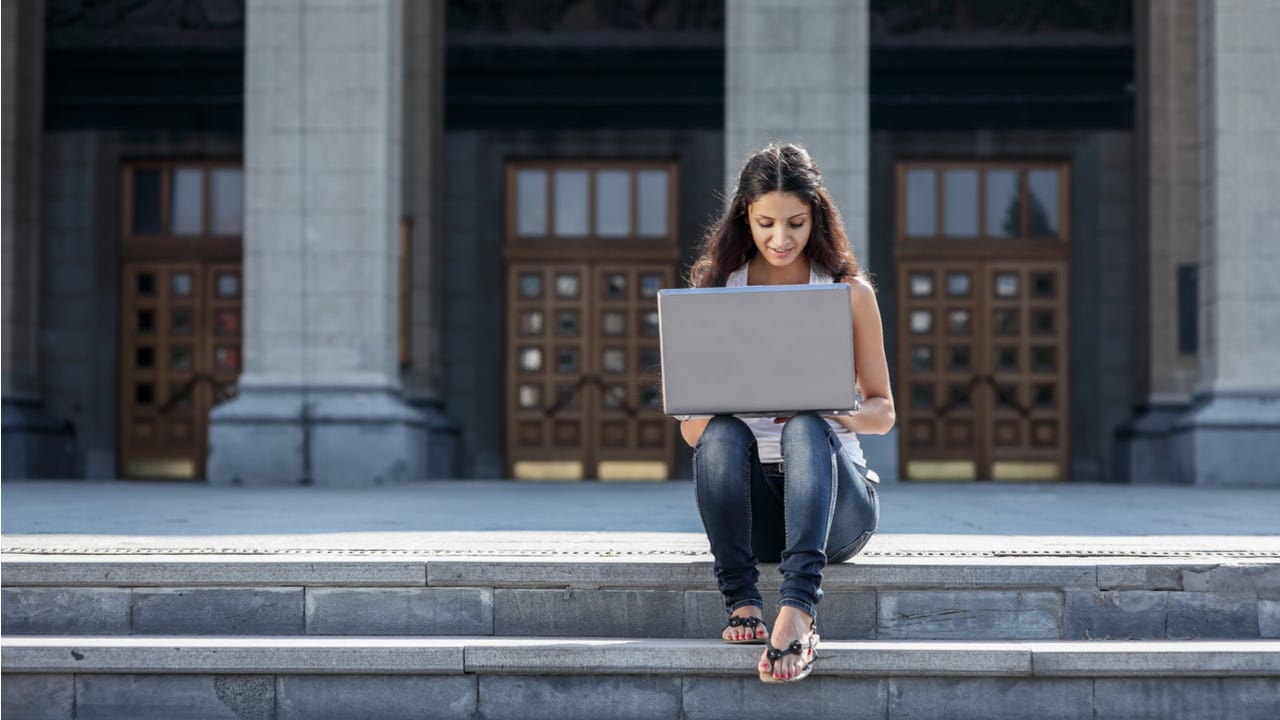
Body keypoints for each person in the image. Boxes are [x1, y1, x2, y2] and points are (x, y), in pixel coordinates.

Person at [681, 142, 895, 683]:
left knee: (806, 424)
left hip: (835, 509)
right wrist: (734, 402)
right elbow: (691, 432)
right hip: (752, 514)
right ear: (744, 220)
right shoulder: (716, 290)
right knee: (723, 432)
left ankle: (797, 610)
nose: (781, 239)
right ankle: (743, 599)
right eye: (766, 223)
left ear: (816, 216)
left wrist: (834, 410)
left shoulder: (848, 292)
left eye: (796, 223)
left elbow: (882, 412)